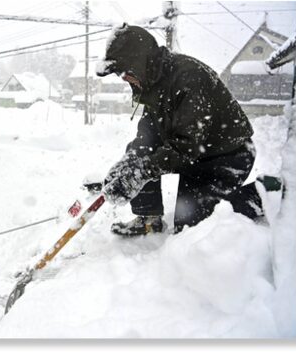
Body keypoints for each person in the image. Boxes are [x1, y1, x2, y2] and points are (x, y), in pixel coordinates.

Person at [96, 23, 264, 237]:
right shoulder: (152, 82)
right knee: (140, 157)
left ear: (138, 62)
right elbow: (148, 137)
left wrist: (140, 173)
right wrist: (127, 166)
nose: (122, 78)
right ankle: (149, 217)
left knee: (193, 229)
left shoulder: (189, 79)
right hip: (196, 158)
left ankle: (263, 193)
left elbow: (185, 148)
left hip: (226, 158)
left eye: (123, 70)